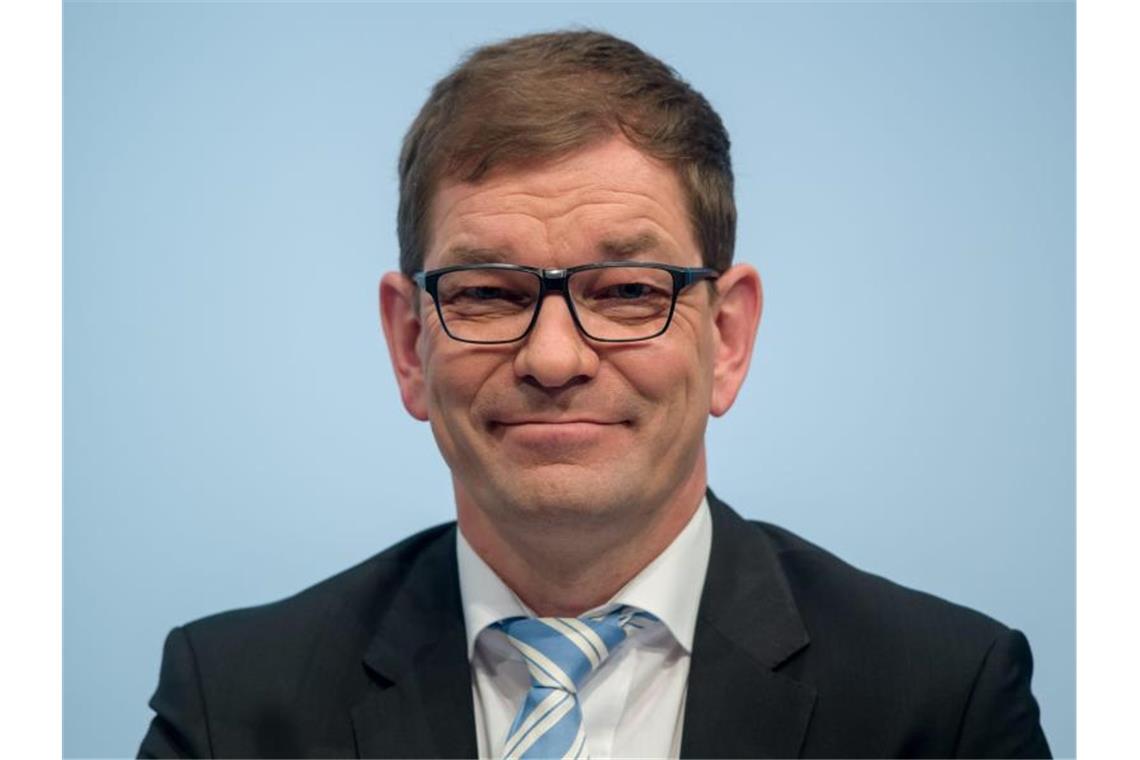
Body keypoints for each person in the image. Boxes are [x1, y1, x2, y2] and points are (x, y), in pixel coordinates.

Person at [138, 29, 1051, 759]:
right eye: (487, 293)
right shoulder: (231, 704)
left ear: (727, 338)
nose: (553, 357)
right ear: (411, 344)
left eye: (626, 292)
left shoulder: (943, 702)